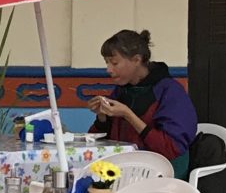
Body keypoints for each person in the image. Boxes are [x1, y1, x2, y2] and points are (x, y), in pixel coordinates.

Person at [84, 30, 198, 177]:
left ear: (136, 60)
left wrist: (128, 114)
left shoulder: (170, 91)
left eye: (114, 63)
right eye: (107, 63)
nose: (108, 70)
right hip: (127, 168)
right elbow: (104, 143)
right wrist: (102, 117)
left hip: (164, 171)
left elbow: (171, 149)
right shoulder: (122, 90)